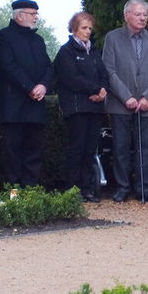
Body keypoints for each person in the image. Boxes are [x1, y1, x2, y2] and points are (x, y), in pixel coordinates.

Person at [102, 0, 148, 202]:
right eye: (138, 14)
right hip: (120, 104)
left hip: (147, 104)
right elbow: (109, 70)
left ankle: (143, 187)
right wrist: (126, 96)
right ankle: (122, 187)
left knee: (145, 148)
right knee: (120, 146)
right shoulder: (112, 38)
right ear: (126, 15)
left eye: (145, 14)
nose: (142, 18)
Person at [0, 0, 53, 187]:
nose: (36, 18)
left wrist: (43, 85)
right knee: (13, 150)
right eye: (32, 14)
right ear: (19, 15)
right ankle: (14, 189)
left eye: (36, 14)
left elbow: (48, 67)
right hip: (14, 104)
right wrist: (29, 87)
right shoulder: (3, 37)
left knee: (33, 150)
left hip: (35, 105)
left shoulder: (38, 40)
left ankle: (31, 189)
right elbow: (7, 66)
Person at [54, 11, 109, 200]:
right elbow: (71, 78)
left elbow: (103, 73)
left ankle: (86, 188)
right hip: (77, 107)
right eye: (84, 28)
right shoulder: (66, 51)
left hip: (95, 108)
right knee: (76, 148)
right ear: (74, 29)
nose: (88, 32)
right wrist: (94, 89)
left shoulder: (93, 51)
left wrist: (102, 90)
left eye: (90, 29)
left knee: (89, 149)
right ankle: (72, 188)